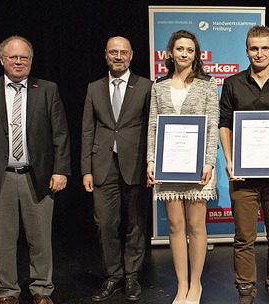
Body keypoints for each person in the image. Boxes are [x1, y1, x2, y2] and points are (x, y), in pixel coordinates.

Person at [218, 25, 269, 304]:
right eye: (254, 48)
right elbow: (225, 125)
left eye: (265, 48)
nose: (259, 53)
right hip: (243, 177)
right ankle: (245, 289)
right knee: (243, 238)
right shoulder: (232, 84)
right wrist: (229, 160)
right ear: (247, 50)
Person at [0, 36, 71, 304]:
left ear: (31, 61)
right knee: (3, 240)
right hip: (0, 178)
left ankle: (42, 289)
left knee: (40, 239)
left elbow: (60, 133)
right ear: (2, 60)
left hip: (38, 176)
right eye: (13, 57)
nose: (19, 62)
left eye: (24, 57)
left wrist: (61, 170)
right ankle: (7, 291)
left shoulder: (47, 89)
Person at [147, 30, 219, 304]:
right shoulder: (159, 87)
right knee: (175, 226)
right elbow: (154, 125)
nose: (184, 54)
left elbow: (212, 125)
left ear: (196, 54)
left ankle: (195, 286)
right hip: (169, 166)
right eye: (179, 49)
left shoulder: (208, 85)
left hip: (197, 167)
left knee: (196, 226)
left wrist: (209, 162)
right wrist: (151, 160)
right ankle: (181, 285)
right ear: (170, 53)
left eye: (190, 49)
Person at [81, 36, 152, 302]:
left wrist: (150, 163)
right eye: (113, 52)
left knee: (135, 222)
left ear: (131, 55)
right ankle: (113, 276)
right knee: (105, 224)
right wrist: (85, 169)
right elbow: (87, 129)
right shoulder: (94, 88)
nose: (118, 56)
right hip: (102, 166)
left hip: (135, 163)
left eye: (123, 52)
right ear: (106, 55)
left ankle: (132, 276)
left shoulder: (146, 86)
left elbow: (151, 128)